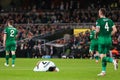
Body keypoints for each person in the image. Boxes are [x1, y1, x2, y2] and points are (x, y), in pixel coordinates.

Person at [96, 8, 118, 76]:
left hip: (102, 39)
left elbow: (97, 30)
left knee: (102, 57)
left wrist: (96, 35)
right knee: (104, 55)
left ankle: (113, 61)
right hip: (108, 40)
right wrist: (109, 35)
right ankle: (103, 71)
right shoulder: (110, 20)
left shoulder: (99, 20)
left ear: (100, 13)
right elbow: (115, 30)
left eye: (99, 12)